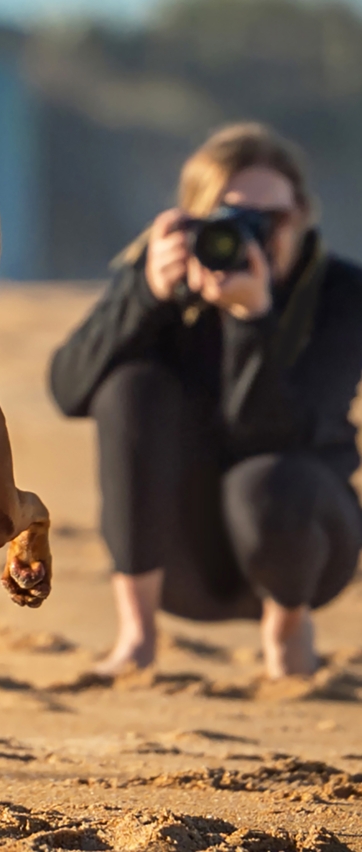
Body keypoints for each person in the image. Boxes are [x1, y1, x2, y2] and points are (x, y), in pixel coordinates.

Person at [49, 122, 362, 680]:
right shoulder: (161, 274)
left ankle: (287, 628)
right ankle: (137, 635)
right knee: (128, 388)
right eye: (232, 218)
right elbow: (68, 390)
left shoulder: (341, 294)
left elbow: (274, 436)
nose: (254, 235)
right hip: (182, 561)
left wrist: (252, 319)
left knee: (265, 481)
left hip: (303, 542)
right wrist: (145, 296)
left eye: (272, 220)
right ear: (192, 218)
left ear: (304, 216)